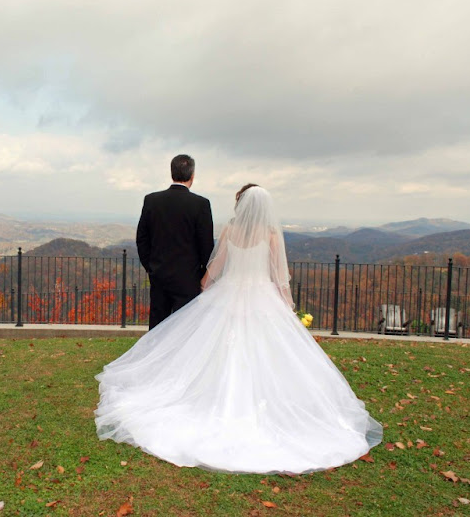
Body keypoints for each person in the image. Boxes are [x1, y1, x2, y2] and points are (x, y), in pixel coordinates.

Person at [96, 184, 382, 474]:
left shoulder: (231, 231)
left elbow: (216, 266)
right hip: (262, 300)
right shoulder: (270, 235)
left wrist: (204, 287)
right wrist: (289, 309)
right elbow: (280, 277)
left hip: (229, 298)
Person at [136, 154, 214, 329]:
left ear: (172, 173)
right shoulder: (201, 204)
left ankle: (154, 356)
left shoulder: (152, 200)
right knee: (184, 330)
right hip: (189, 278)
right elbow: (206, 245)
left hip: (159, 275)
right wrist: (201, 274)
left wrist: (151, 266)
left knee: (157, 328)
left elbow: (142, 238)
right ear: (192, 176)